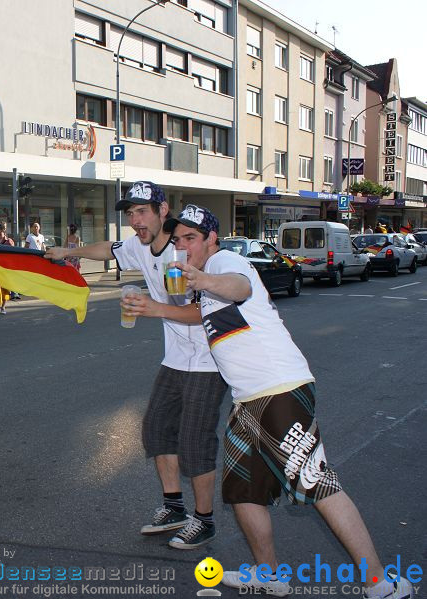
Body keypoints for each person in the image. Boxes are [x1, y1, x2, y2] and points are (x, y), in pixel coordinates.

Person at [168, 204, 413, 598]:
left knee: (317, 483)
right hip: (248, 401)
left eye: (190, 238)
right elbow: (211, 314)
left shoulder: (225, 261)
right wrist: (158, 305)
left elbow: (241, 287)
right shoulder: (205, 280)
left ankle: (380, 585)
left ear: (211, 238)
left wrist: (203, 279)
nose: (182, 246)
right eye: (177, 240)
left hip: (280, 391)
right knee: (242, 491)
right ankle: (269, 574)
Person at [46, 181, 227, 550]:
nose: (135, 221)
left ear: (163, 211)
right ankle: (174, 507)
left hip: (209, 361)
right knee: (157, 430)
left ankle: (204, 520)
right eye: (130, 214)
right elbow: (108, 249)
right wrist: (68, 251)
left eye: (142, 212)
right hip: (176, 358)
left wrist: (154, 307)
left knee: (195, 443)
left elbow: (203, 312)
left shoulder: (188, 252)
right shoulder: (138, 245)